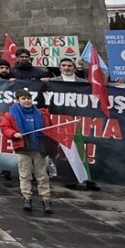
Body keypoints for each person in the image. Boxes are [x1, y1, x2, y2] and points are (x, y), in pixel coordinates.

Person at [0, 89, 53, 214]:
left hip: (39, 148)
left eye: (28, 98)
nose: (27, 101)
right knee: (25, 175)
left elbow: (48, 128)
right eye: (23, 98)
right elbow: (4, 127)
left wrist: (47, 118)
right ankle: (27, 198)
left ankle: (46, 199)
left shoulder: (40, 113)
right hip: (24, 148)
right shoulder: (11, 115)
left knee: (42, 175)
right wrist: (13, 134)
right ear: (17, 100)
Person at [48, 58, 99, 191]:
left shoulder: (84, 83)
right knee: (67, 151)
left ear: (74, 68)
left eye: (69, 66)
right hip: (61, 121)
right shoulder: (52, 82)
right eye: (63, 65)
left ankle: (88, 179)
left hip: (80, 121)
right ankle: (71, 179)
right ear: (59, 68)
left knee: (84, 150)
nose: (66, 68)